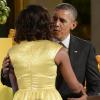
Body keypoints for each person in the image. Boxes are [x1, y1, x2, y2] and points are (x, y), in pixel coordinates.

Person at [1, 5, 85, 100]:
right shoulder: (58, 50)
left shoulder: (12, 52)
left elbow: (15, 88)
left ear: (20, 26)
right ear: (46, 25)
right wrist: (82, 92)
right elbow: (74, 87)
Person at [51, 3, 100, 100]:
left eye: (62, 20)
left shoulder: (86, 48)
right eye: (54, 19)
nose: (56, 24)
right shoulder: (40, 46)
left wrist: (86, 99)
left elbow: (95, 85)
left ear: (73, 25)